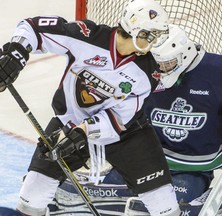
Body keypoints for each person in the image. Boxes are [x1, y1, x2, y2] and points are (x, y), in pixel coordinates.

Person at [0, 0, 182, 215]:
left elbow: (121, 118)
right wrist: (15, 54)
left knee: (163, 203)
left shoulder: (150, 70)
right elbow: (32, 27)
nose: (153, 42)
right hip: (68, 124)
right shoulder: (86, 36)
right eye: (149, 35)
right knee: (32, 195)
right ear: (135, 30)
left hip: (128, 133)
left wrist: (84, 131)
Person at [96, 24, 222, 215]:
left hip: (192, 168)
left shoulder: (217, 71)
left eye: (168, 64)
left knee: (170, 209)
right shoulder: (145, 67)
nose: (161, 70)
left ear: (185, 54)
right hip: (145, 159)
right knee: (105, 202)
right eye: (158, 63)